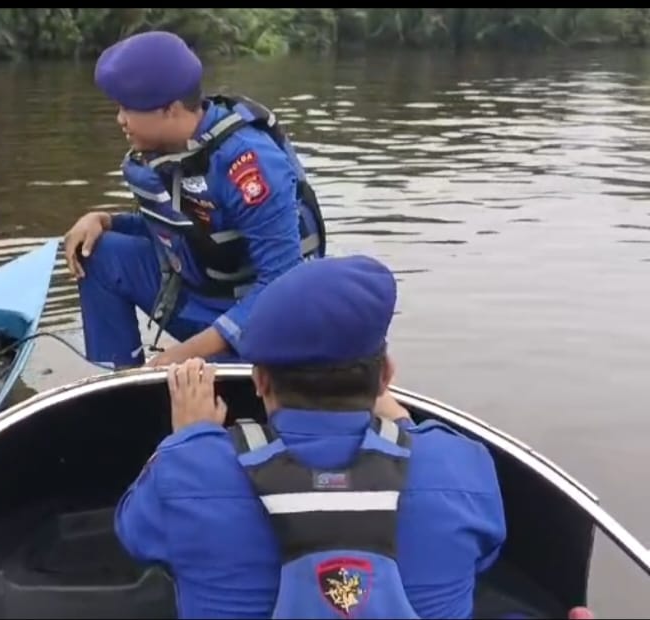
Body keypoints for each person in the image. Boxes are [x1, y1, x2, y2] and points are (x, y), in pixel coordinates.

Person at [114, 255, 508, 619]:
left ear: (260, 380)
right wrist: (401, 426)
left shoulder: (185, 472)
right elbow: (484, 558)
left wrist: (190, 436)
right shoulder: (464, 466)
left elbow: (134, 536)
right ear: (386, 375)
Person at [63, 30, 326, 369]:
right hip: (204, 296)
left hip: (264, 318)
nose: (120, 120)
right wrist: (104, 220)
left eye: (129, 109)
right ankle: (117, 380)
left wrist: (184, 355)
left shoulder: (247, 164)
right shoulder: (167, 152)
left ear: (171, 109)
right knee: (96, 251)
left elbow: (282, 282)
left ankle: (229, 365)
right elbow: (181, 232)